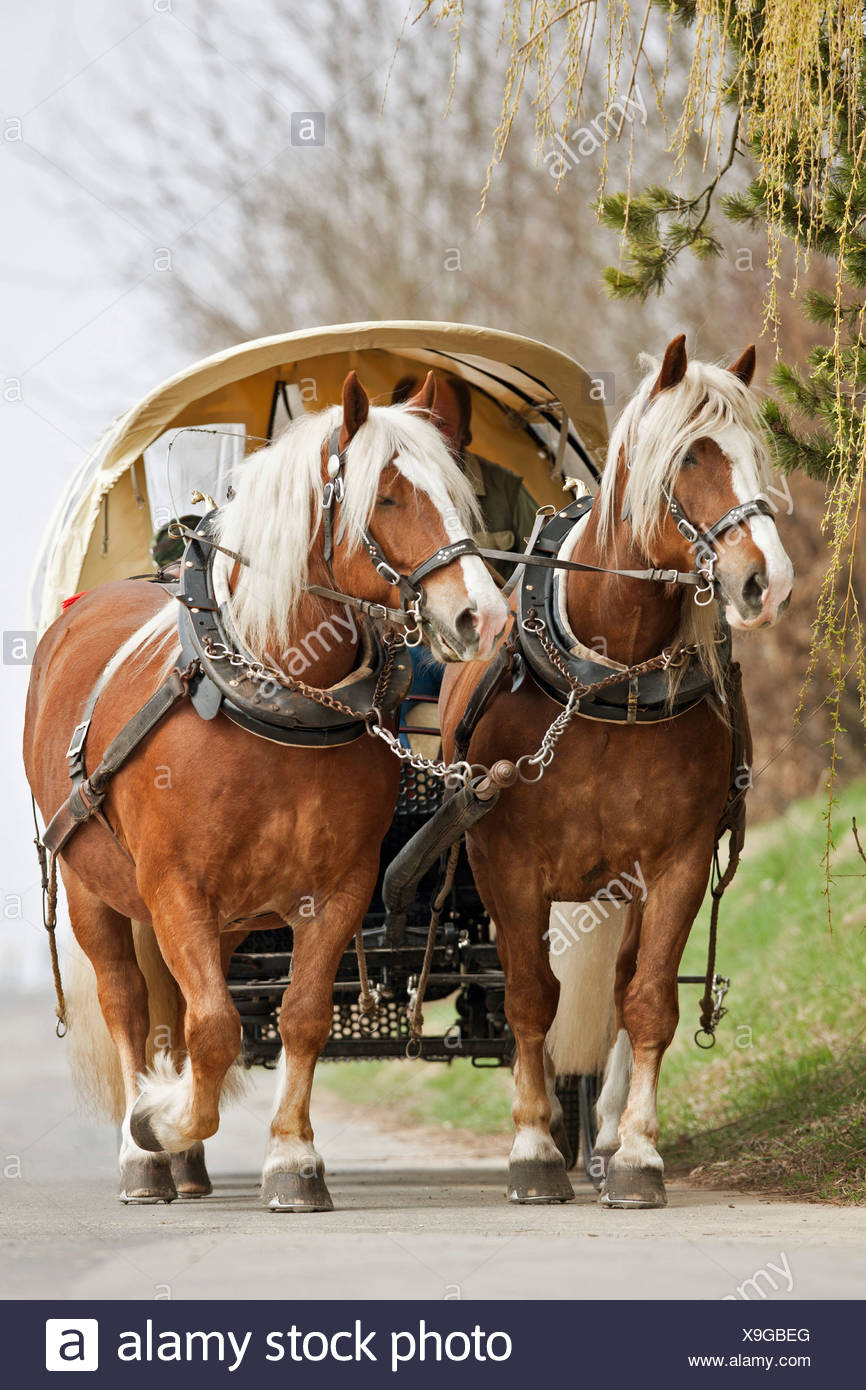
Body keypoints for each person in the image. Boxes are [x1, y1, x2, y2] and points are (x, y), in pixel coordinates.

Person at [392, 371, 539, 719]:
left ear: (464, 433)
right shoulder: (378, 491)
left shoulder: (507, 491)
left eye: (440, 424)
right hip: (407, 650)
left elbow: (545, 567)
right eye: (416, 421)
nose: (427, 433)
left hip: (489, 650)